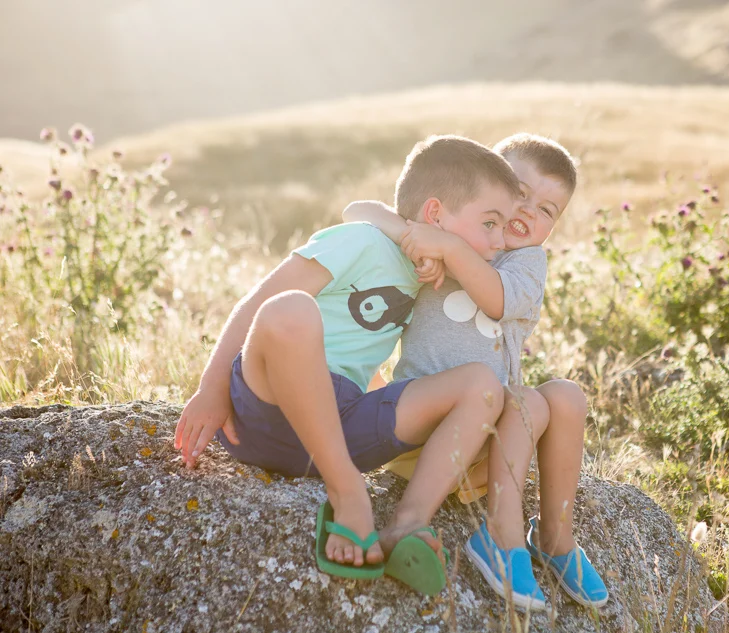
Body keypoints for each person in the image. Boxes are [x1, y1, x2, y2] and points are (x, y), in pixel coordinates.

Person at [174, 135, 520, 589]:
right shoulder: (361, 241)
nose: (498, 244)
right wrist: (212, 388)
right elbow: (260, 302)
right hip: (268, 406)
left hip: (341, 425)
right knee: (291, 310)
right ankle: (349, 491)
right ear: (435, 214)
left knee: (483, 384)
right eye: (490, 224)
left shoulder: (436, 277)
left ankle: (408, 522)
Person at [343, 133, 608, 610]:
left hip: (489, 457)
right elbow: (357, 211)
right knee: (518, 397)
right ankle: (500, 536)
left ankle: (555, 537)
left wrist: (446, 247)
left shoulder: (526, 262)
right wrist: (420, 237)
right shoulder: (450, 233)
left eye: (548, 210)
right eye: (520, 194)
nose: (528, 212)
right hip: (422, 434)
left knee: (564, 395)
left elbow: (497, 297)